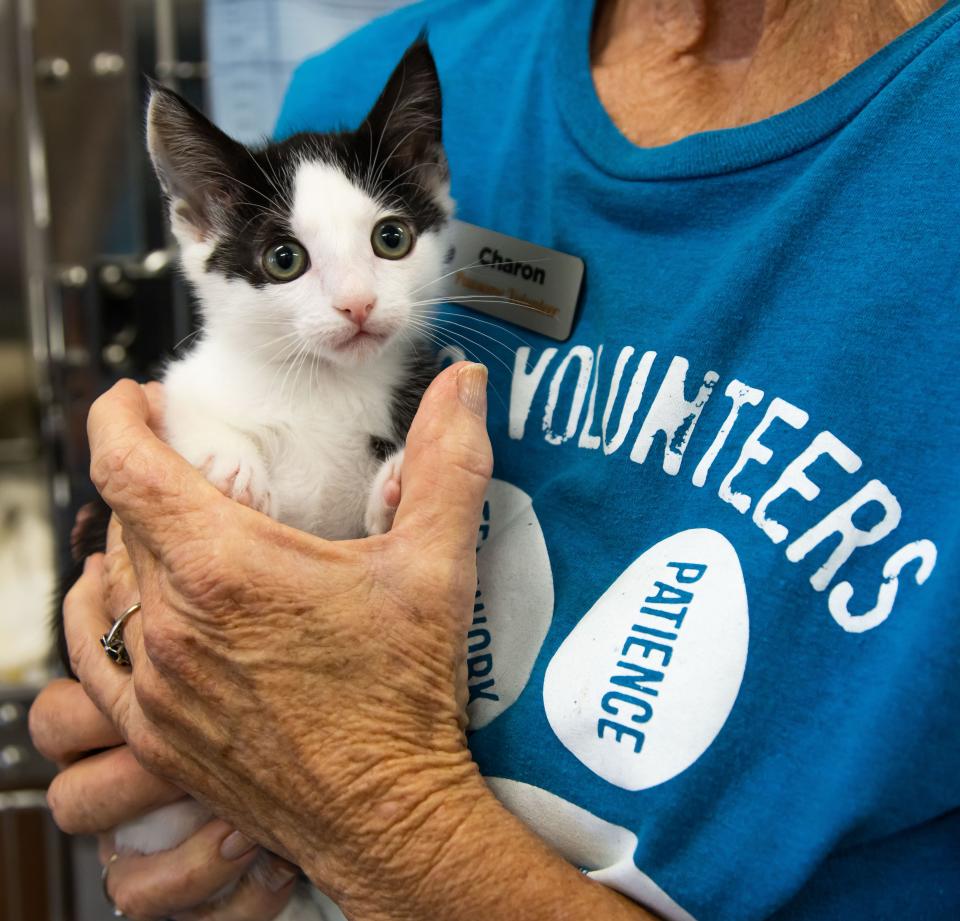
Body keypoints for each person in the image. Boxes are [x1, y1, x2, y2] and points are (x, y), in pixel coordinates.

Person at [29, 0, 960, 918]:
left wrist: (370, 811)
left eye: (390, 240)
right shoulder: (375, 77)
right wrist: (142, 644)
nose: (354, 295)